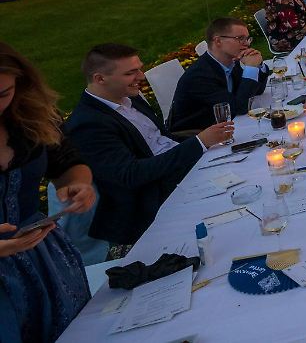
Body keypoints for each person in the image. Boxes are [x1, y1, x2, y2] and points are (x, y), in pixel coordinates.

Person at [65, 44, 234, 247]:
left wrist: (200, 145)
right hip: (155, 200)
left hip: (181, 170)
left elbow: (161, 139)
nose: (141, 76)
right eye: (131, 73)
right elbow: (131, 175)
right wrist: (199, 143)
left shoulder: (128, 98)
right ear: (100, 79)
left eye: (139, 68)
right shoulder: (88, 124)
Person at [0, 43, 94, 342]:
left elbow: (67, 162)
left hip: (44, 258)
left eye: (3, 94)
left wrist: (78, 183)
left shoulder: (29, 115)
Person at [170, 17, 268, 133]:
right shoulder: (200, 76)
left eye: (247, 39)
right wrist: (251, 69)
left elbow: (256, 91)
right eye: (240, 38)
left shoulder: (230, 62)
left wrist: (258, 65)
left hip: (225, 126)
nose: (246, 44)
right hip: (195, 138)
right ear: (218, 41)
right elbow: (240, 107)